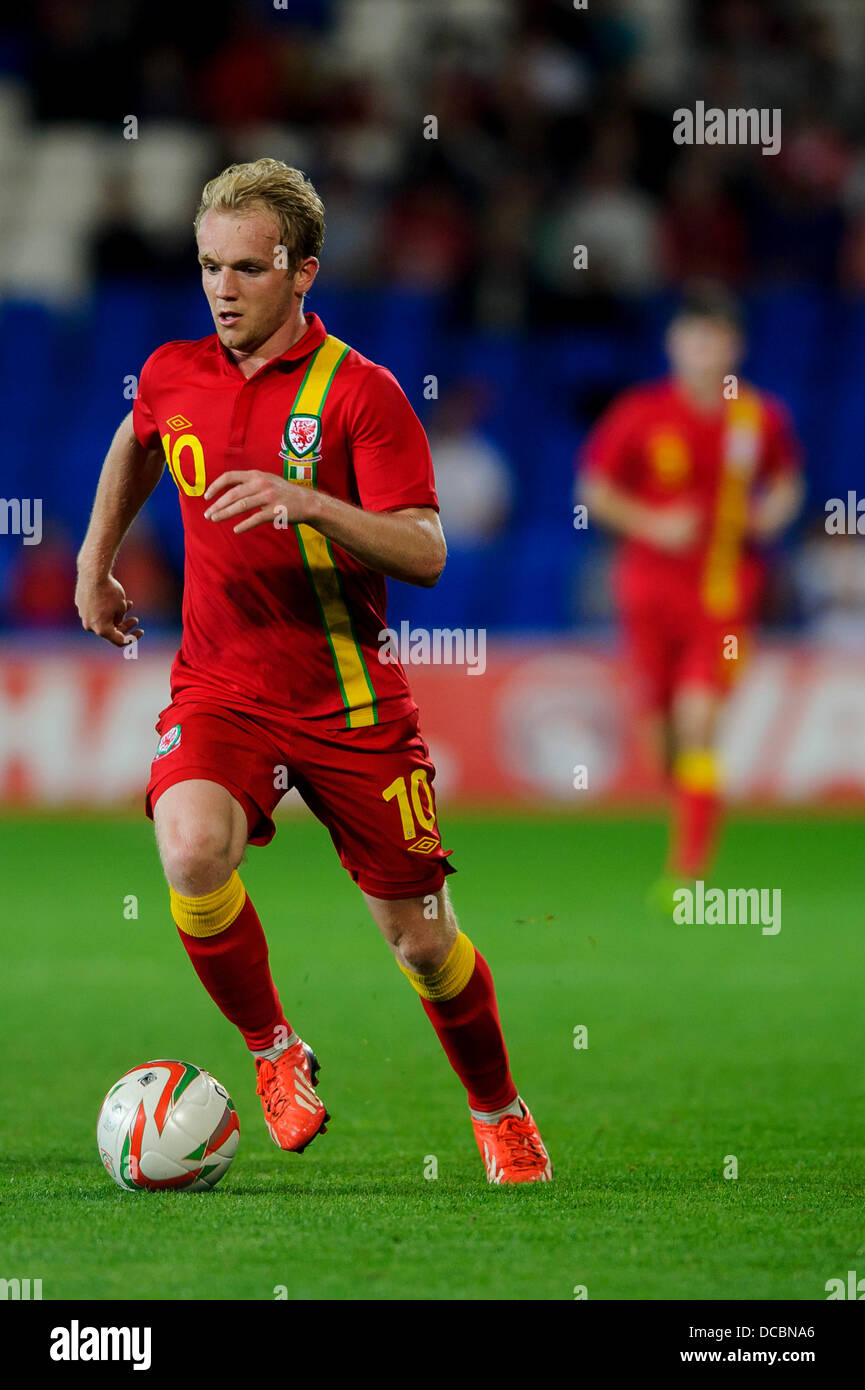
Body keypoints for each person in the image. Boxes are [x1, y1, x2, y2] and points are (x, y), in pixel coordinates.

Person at [75, 158, 551, 1184]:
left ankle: (498, 1109)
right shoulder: (173, 372)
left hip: (349, 699)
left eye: (248, 268)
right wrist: (95, 560)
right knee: (191, 850)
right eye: (210, 267)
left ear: (303, 272)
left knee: (423, 945)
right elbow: (135, 439)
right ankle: (274, 1051)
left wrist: (312, 505)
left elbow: (425, 550)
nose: (224, 288)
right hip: (221, 687)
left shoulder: (363, 396)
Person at [579, 285, 802, 900]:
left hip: (725, 599)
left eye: (716, 338)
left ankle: (689, 873)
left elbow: (787, 484)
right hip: (648, 598)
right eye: (693, 337)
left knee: (699, 719)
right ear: (674, 344)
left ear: (735, 347)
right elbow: (595, 490)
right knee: (666, 746)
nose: (703, 350)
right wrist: (653, 523)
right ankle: (693, 812)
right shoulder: (641, 412)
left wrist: (773, 513)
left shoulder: (759, 418)